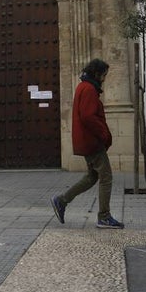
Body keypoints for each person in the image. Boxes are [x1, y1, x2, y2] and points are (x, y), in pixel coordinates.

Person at [50, 58, 124, 229]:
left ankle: (61, 200)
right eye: (104, 75)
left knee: (92, 176)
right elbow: (88, 116)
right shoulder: (89, 89)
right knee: (106, 177)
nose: (105, 78)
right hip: (92, 142)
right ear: (97, 73)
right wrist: (104, 134)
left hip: (87, 141)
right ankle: (104, 217)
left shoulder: (83, 87)